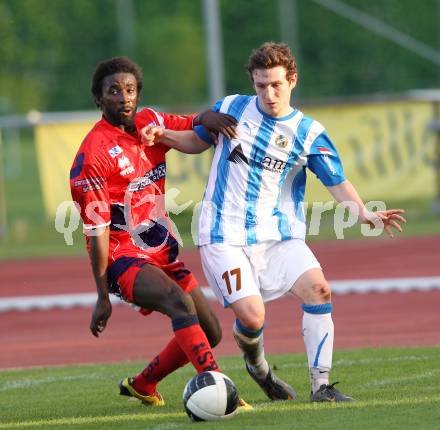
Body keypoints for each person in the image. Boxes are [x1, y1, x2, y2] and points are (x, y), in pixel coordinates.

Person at [140, 42, 406, 402]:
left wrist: (363, 211)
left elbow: (336, 180)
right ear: (252, 82)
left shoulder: (308, 132)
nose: (268, 93)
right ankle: (259, 367)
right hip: (223, 234)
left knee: (319, 289)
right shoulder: (233, 107)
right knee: (251, 318)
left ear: (292, 80)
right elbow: (195, 141)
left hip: (278, 235)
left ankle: (321, 386)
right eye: (261, 85)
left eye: (276, 85)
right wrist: (165, 136)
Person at [69, 56, 248, 408]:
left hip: (161, 252)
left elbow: (190, 124)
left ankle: (143, 384)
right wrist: (103, 296)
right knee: (179, 305)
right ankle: (220, 390)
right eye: (114, 91)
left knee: (210, 331)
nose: (124, 97)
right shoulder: (93, 155)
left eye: (130, 90)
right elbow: (97, 232)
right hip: (123, 258)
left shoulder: (149, 121)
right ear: (98, 99)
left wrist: (207, 117)